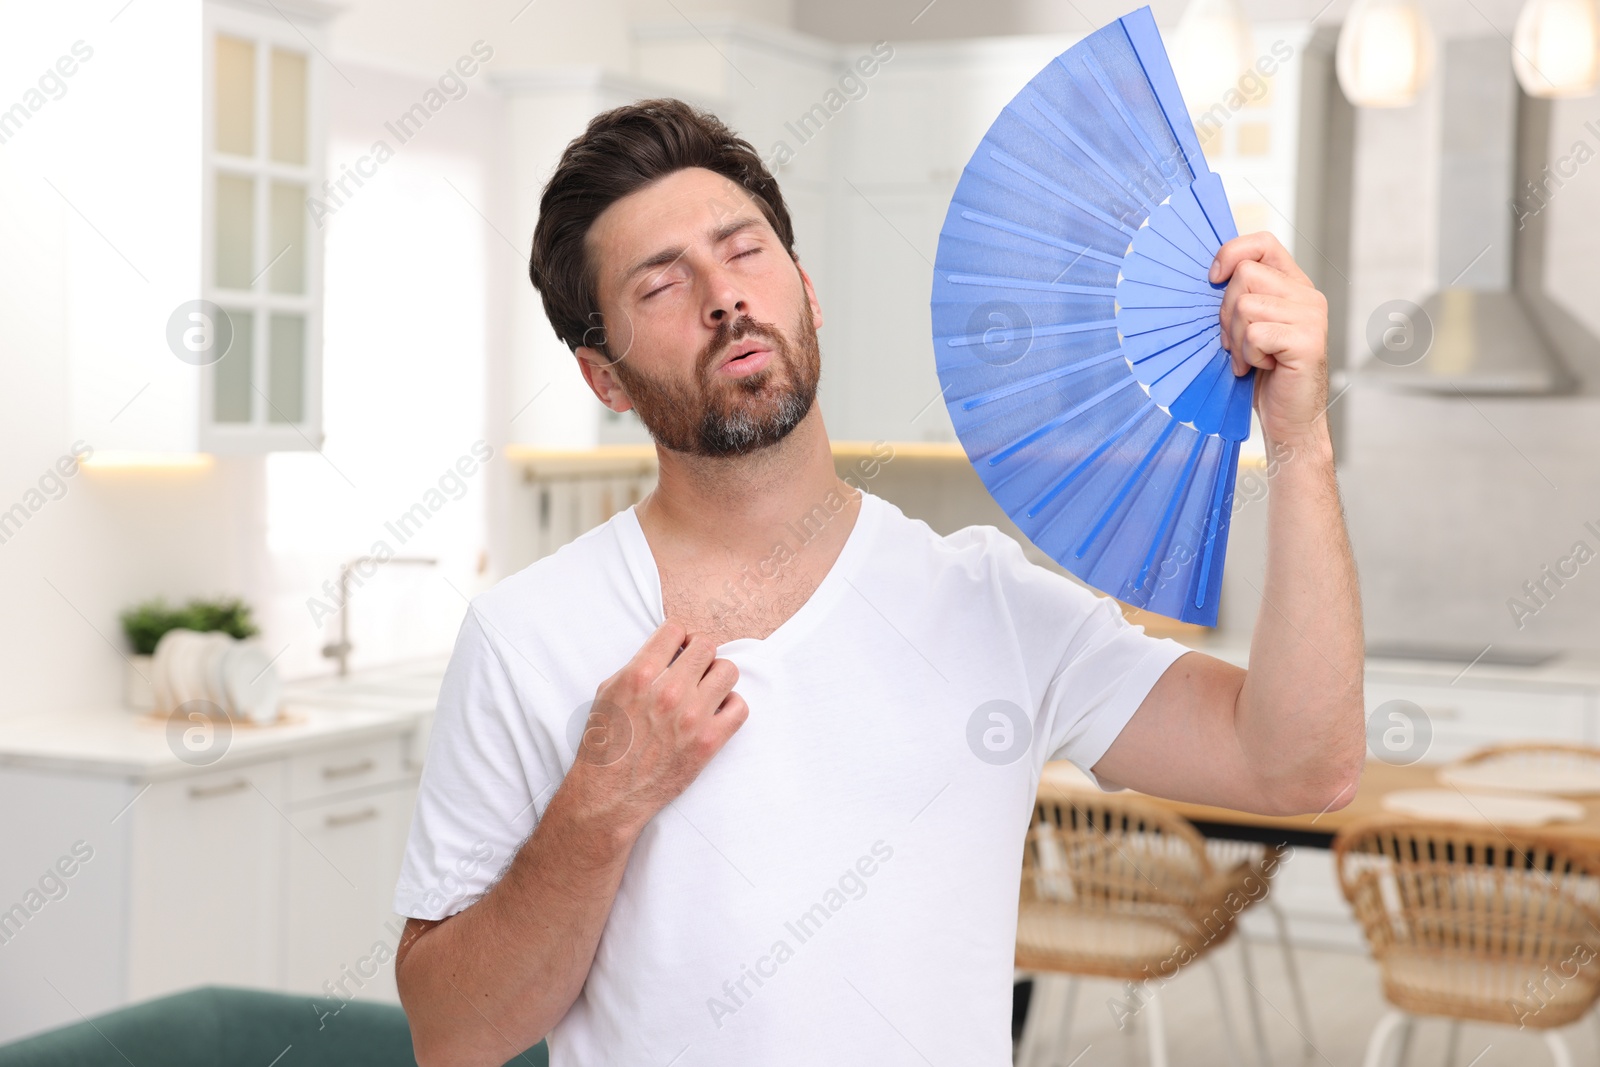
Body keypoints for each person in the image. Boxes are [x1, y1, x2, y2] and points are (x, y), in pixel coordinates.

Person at [390, 98, 1364, 1067]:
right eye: (661, 285)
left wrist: (1298, 439)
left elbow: (1297, 764)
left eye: (742, 251)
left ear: (806, 291)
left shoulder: (988, 605)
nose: (723, 296)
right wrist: (597, 807)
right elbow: (453, 1033)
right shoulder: (526, 634)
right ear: (603, 376)